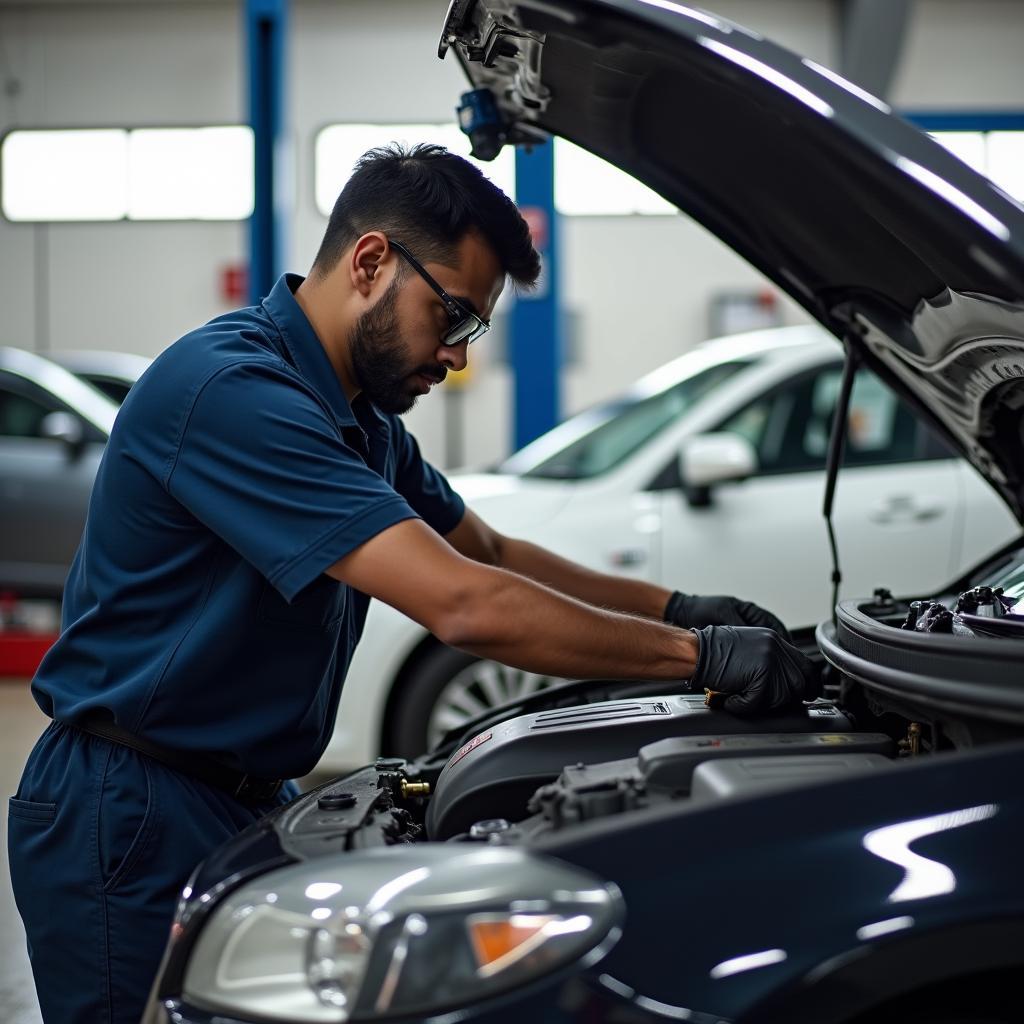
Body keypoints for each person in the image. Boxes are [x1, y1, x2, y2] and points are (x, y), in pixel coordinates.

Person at [7, 143, 816, 1024]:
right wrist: (698, 657)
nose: (459, 359)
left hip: (237, 796)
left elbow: (490, 553)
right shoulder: (233, 392)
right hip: (128, 812)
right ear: (370, 262)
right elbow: (464, 604)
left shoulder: (359, 418)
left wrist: (678, 607)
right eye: (455, 317)